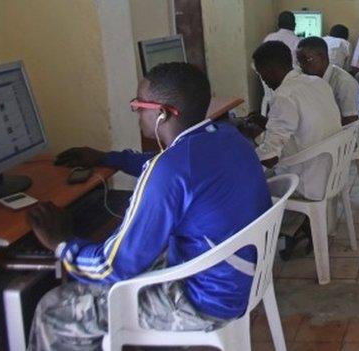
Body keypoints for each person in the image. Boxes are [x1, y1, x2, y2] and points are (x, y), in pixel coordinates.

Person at [26, 62, 272, 350]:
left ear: (162, 113)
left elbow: (113, 266)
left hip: (204, 301)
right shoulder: (228, 136)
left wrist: (61, 243)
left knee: (54, 309)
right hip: (240, 279)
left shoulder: (170, 169)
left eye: (139, 106)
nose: (137, 113)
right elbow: (171, 166)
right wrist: (110, 158)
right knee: (145, 249)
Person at [248, 40, 341, 201]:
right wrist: (266, 124)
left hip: (307, 181)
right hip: (333, 172)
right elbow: (302, 124)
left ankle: (286, 222)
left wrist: (250, 139)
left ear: (270, 71)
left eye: (261, 75)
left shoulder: (284, 95)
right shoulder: (318, 82)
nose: (263, 80)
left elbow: (269, 158)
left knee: (248, 182)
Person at [296, 36, 359, 126]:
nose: (301, 66)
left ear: (322, 57)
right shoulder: (308, 77)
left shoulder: (344, 83)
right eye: (299, 61)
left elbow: (350, 121)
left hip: (337, 135)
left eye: (306, 60)